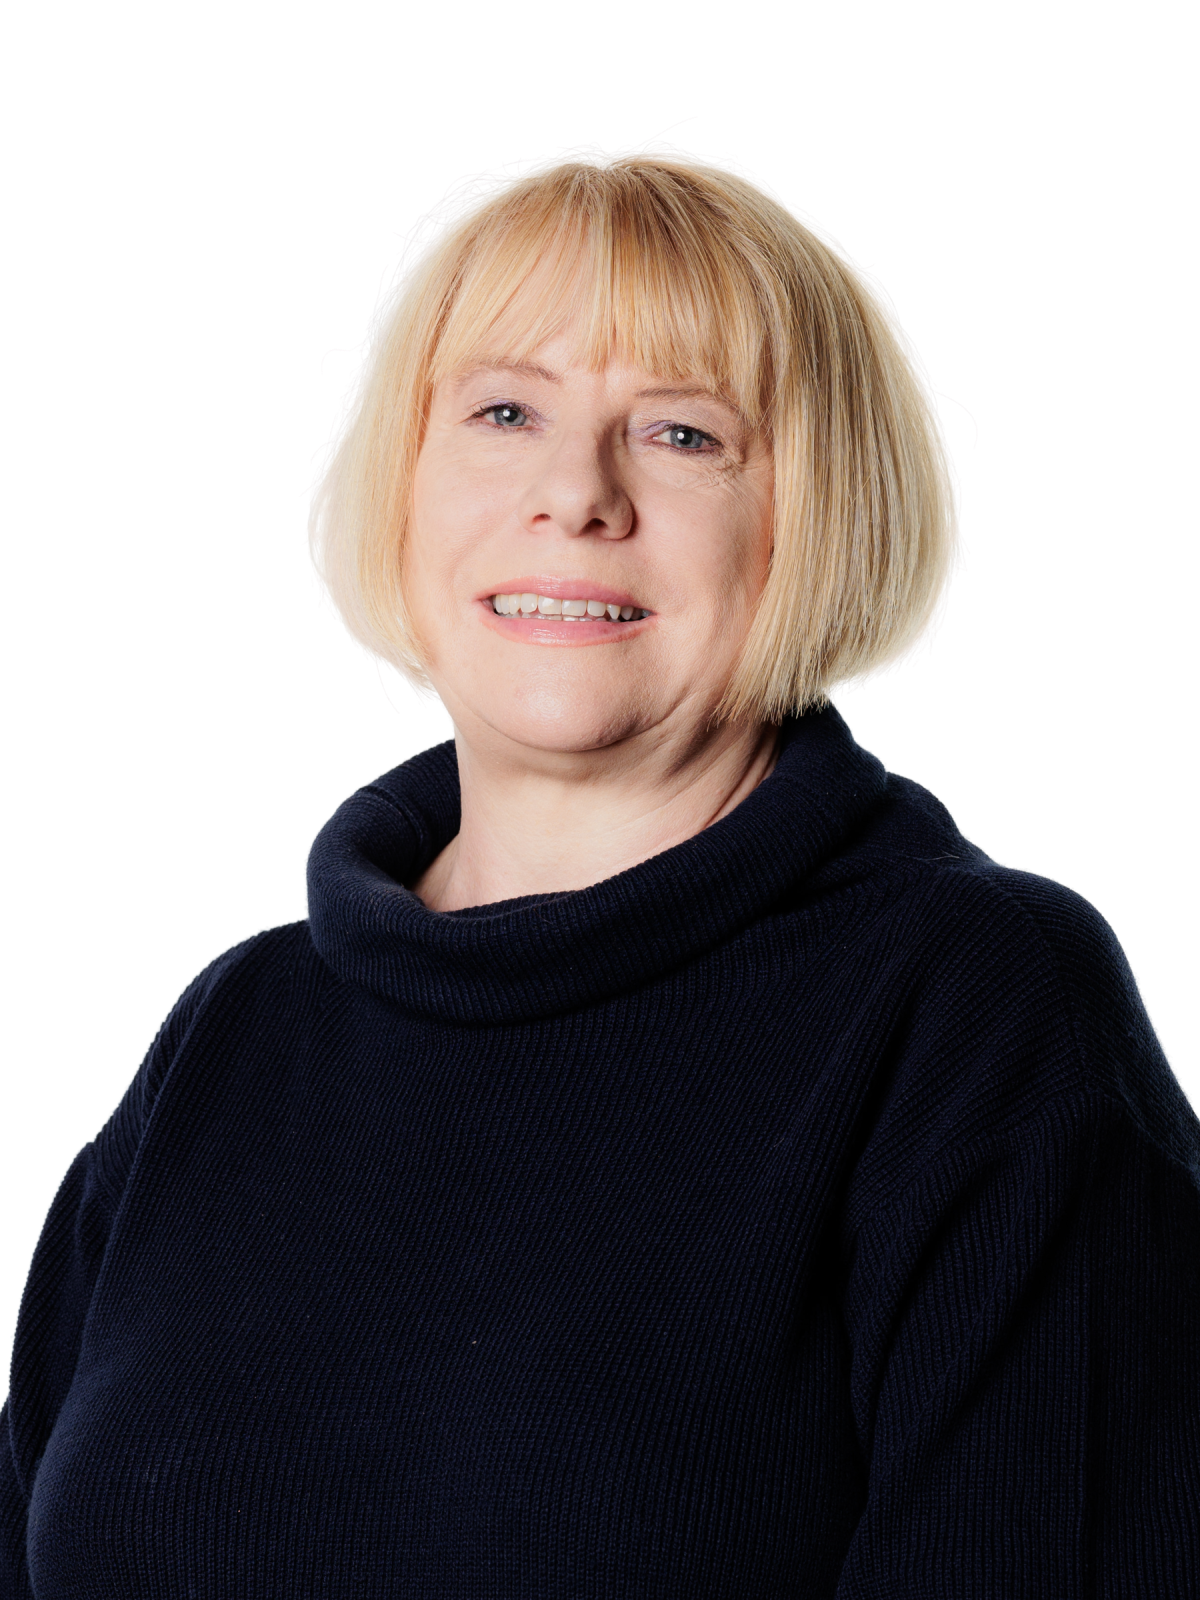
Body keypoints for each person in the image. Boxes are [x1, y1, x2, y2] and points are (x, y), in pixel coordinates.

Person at [4, 140, 1197, 1598]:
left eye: (683, 433)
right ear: (403, 482)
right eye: (505, 410)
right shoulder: (231, 1034)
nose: (577, 493)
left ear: (818, 515)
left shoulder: (981, 1011)